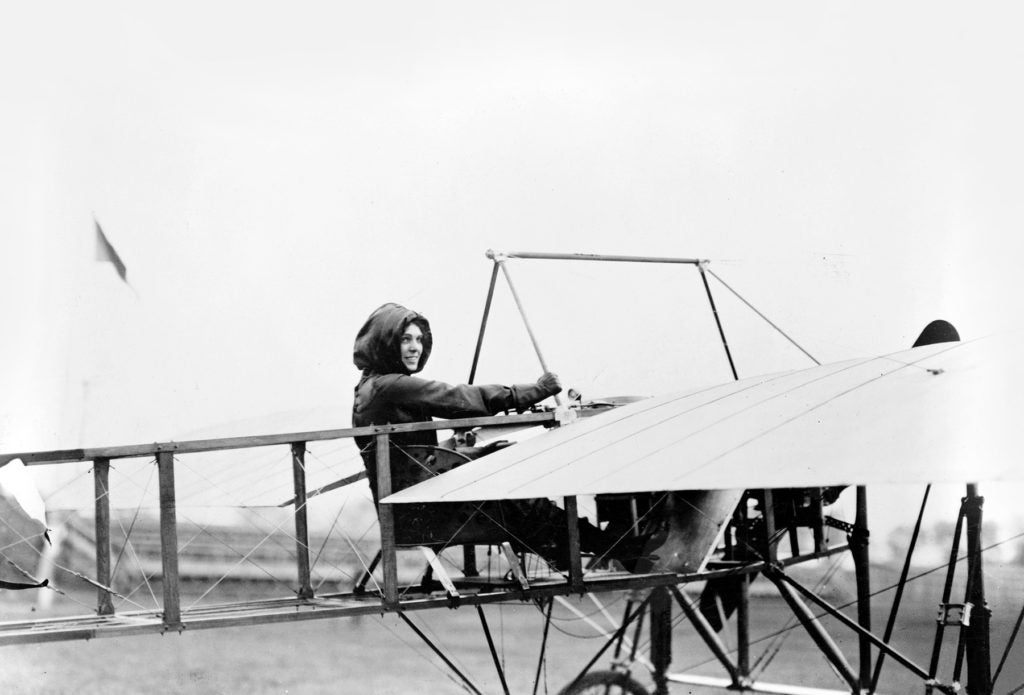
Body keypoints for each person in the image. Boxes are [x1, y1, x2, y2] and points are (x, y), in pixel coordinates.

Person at [351, 302, 652, 570]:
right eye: (405, 340)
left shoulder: (369, 389)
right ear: (386, 343)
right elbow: (459, 399)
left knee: (503, 463)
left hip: (409, 506)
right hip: (426, 510)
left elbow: (408, 451)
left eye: (418, 339)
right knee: (521, 494)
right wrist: (533, 391)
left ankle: (575, 547)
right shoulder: (391, 385)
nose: (415, 347)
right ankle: (613, 546)